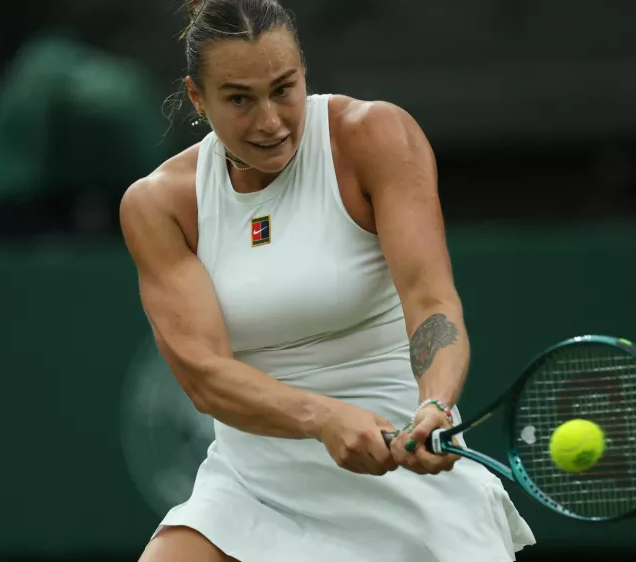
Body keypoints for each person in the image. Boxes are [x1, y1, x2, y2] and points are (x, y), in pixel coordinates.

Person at [119, 1, 536, 560]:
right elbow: (206, 377)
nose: (269, 120)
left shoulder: (374, 135)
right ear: (198, 97)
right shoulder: (160, 204)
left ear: (303, 72)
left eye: (283, 89)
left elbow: (431, 302)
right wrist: (322, 418)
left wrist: (434, 403)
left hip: (408, 485)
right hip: (254, 490)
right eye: (239, 98)